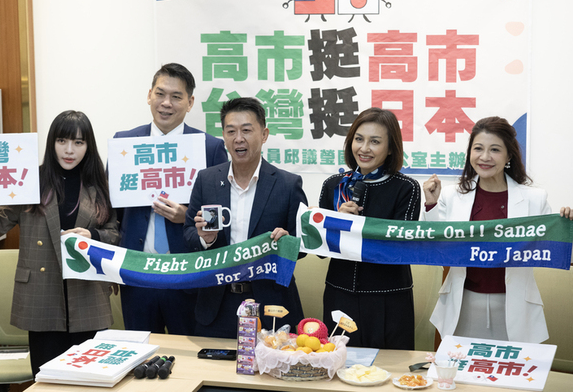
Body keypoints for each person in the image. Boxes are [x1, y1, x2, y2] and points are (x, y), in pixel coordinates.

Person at [0, 110, 119, 376]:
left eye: (78, 142)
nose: (69, 150)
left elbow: (114, 232)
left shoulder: (99, 186)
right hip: (41, 295)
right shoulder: (29, 180)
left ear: (88, 146)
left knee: (91, 379)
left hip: (87, 294)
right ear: (51, 142)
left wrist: (94, 236)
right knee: (46, 380)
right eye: (62, 141)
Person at [423, 116, 573, 343]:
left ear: (509, 155)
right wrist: (431, 204)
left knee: (511, 366)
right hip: (462, 304)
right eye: (478, 148)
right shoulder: (451, 196)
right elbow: (435, 247)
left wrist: (567, 226)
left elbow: (553, 250)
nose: (485, 157)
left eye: (494, 149)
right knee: (460, 365)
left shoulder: (535, 199)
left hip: (515, 307)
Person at [113, 63, 227, 335]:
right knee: (140, 353)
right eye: (160, 94)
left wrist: (187, 217)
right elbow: (112, 213)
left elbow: (221, 212)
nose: (166, 103)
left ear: (190, 103)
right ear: (149, 95)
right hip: (137, 274)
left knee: (188, 353)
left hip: (187, 275)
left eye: (176, 97)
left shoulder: (209, 147)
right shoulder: (124, 143)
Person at [183, 97, 307, 338]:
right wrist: (205, 239)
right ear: (224, 136)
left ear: (264, 134)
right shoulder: (207, 180)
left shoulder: (288, 184)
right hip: (217, 303)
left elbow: (302, 246)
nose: (238, 138)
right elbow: (188, 233)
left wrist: (287, 243)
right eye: (231, 131)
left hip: (270, 305)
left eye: (247, 130)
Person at [318, 108, 420, 350]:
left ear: (391, 148)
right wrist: (334, 222)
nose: (364, 148)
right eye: (359, 139)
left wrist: (356, 226)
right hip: (340, 293)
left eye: (375, 141)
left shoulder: (406, 188)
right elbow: (320, 250)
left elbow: (401, 250)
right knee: (337, 361)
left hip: (388, 298)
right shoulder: (334, 185)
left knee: (389, 366)